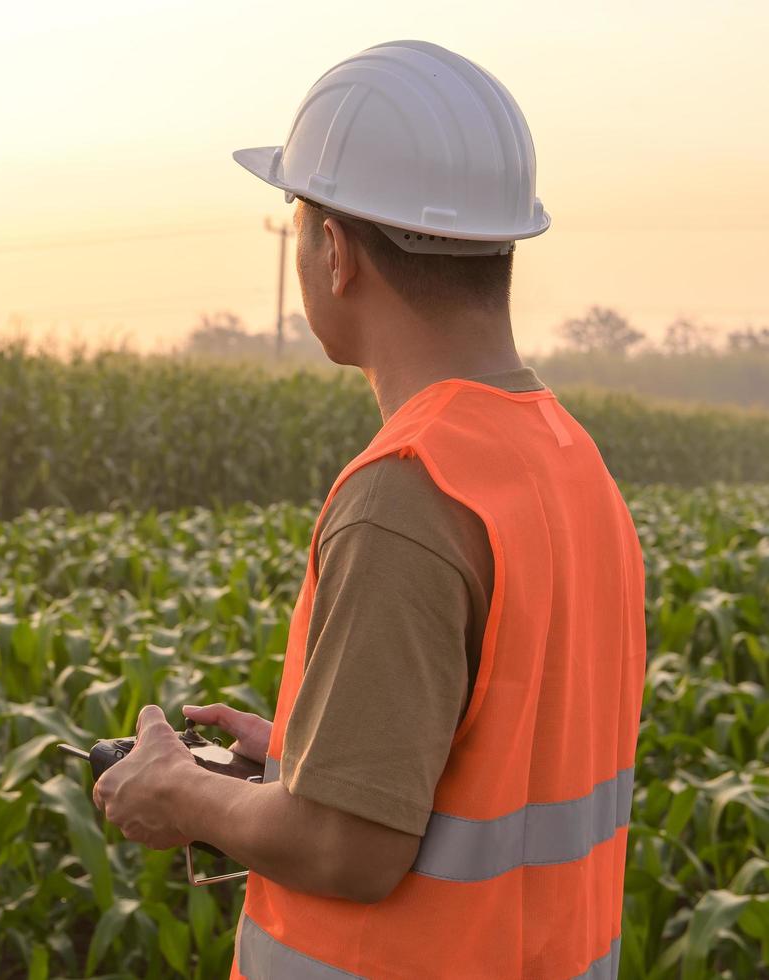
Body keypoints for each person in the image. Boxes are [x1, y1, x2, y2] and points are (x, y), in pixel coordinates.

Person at [91, 40, 646, 979]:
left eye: (300, 216)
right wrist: (319, 754)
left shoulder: (407, 490)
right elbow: (500, 760)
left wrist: (184, 799)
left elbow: (347, 848)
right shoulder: (567, 460)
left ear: (336, 252)